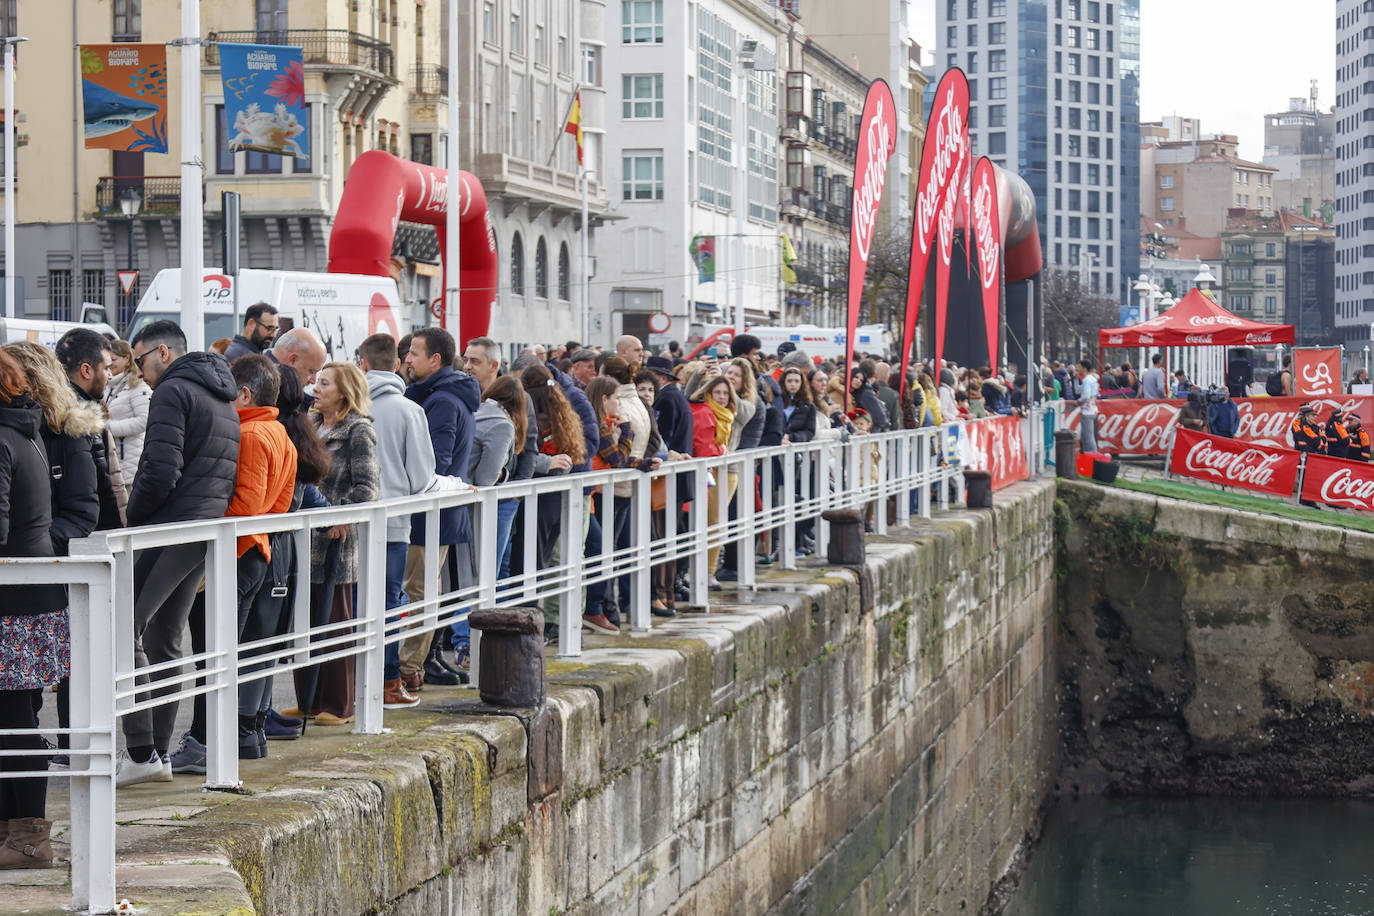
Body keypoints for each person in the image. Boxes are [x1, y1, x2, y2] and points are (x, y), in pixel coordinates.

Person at [118, 321, 240, 787]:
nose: (139, 372)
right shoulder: (221, 393)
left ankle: (142, 750)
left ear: (163, 353)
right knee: (166, 639)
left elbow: (160, 468)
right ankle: (159, 755)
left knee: (122, 628)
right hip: (203, 527)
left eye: (140, 360)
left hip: (169, 526)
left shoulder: (173, 391)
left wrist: (135, 516)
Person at [0, 348, 67, 870]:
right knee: (16, 714)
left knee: (14, 718)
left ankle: (26, 840)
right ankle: (18, 835)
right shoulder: (26, 431)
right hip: (31, 592)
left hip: (12, 599)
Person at [289, 362, 379, 726]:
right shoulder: (309, 425)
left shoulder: (359, 430)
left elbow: (368, 489)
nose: (317, 388)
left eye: (325, 383)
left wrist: (341, 516)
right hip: (303, 538)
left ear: (344, 391)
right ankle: (308, 699)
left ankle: (340, 705)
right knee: (304, 620)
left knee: (336, 622)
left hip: (336, 542)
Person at [223, 355, 297, 757]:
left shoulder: (250, 435)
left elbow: (245, 506)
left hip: (241, 549)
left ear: (245, 393)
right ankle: (251, 734)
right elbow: (281, 503)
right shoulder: (280, 433)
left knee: (231, 648)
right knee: (255, 645)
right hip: (263, 547)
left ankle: (236, 736)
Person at [400, 328, 480, 686]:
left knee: (420, 592)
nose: (407, 360)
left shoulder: (443, 401)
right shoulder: (441, 396)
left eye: (414, 353)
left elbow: (437, 463)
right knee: (424, 590)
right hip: (436, 513)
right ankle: (417, 665)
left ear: (436, 360)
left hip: (431, 514)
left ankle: (410, 670)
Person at [358, 333, 434, 706]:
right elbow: (421, 476)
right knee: (388, 602)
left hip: (348, 521)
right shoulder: (409, 410)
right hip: (392, 523)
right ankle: (387, 683)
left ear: (364, 364)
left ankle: (339, 690)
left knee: (346, 604)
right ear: (397, 363)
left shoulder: (348, 404)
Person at [53, 329, 124, 530]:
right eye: (107, 368)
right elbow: (100, 487)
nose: (110, 375)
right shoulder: (78, 418)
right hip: (83, 535)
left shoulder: (56, 409)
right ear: (87, 370)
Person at [645, 356, 692, 615]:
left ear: (660, 378)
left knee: (662, 537)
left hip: (666, 479)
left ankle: (661, 593)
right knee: (668, 537)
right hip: (675, 478)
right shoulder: (678, 396)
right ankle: (668, 594)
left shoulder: (666, 399)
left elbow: (661, 440)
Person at [689, 373, 737, 590]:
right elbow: (705, 447)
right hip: (709, 471)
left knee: (716, 523)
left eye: (726, 393)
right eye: (717, 392)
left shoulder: (727, 415)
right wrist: (721, 450)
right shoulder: (705, 412)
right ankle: (703, 572)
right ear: (708, 393)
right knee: (712, 523)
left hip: (721, 471)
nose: (721, 397)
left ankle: (708, 570)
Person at [105, 338, 151, 486]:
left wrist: (109, 428)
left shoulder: (137, 385)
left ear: (126, 358)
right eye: (107, 360)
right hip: (112, 461)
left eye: (114, 359)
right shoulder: (107, 385)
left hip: (129, 466)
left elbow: (144, 420)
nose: (110, 364)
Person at [1292, 404, 1325, 507]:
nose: (1314, 417)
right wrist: (1318, 443)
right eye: (1312, 416)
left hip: (1315, 456)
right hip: (1304, 455)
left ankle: (1308, 498)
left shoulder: (1315, 426)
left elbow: (1323, 439)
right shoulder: (1301, 426)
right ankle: (1303, 498)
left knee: (1311, 477)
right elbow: (1313, 441)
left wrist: (1318, 443)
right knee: (1304, 476)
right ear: (1306, 416)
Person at [1077, 359, 1100, 452]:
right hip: (1093, 409)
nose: (1077, 368)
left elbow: (1086, 396)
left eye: (1079, 366)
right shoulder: (1093, 379)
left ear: (1084, 368)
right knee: (1087, 437)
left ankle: (1092, 459)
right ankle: (1091, 458)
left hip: (1087, 411)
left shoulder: (1086, 380)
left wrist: (1077, 402)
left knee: (1088, 439)